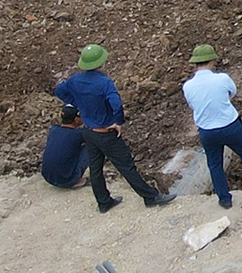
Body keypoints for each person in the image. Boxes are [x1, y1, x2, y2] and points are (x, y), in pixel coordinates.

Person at [53, 45, 175, 212]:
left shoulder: (75, 80)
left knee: (95, 169)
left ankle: (104, 202)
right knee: (126, 166)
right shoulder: (104, 82)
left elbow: (59, 91)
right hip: (106, 133)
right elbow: (116, 104)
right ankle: (150, 196)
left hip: (88, 132)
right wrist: (118, 121)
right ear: (101, 62)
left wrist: (78, 103)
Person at [182, 45, 242, 209]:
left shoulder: (188, 86)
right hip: (230, 125)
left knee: (214, 164)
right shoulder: (222, 78)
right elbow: (232, 93)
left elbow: (193, 104)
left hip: (207, 130)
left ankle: (224, 198)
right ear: (212, 62)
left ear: (195, 64)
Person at [40, 105, 90, 189]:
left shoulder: (54, 130)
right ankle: (75, 181)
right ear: (76, 120)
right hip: (66, 180)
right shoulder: (78, 134)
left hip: (48, 177)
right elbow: (95, 134)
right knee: (92, 145)